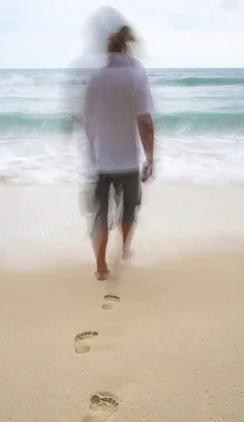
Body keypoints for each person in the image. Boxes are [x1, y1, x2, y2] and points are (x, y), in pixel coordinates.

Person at [83, 21, 154, 280]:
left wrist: (89, 155)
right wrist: (150, 157)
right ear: (128, 48)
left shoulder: (96, 77)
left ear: (108, 50)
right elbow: (145, 121)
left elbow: (87, 120)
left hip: (102, 162)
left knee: (101, 214)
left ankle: (101, 267)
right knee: (128, 209)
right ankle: (124, 249)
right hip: (128, 161)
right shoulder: (136, 75)